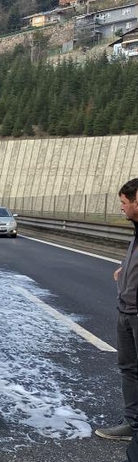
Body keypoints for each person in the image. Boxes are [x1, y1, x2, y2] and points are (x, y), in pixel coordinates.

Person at [97, 178, 138, 441]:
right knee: (130, 369)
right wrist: (126, 272)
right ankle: (132, 425)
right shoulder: (136, 228)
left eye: (124, 202)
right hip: (126, 309)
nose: (121, 208)